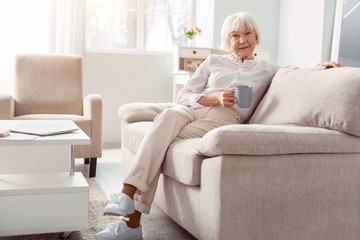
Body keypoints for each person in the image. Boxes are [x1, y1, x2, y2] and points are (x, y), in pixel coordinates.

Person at [95, 12, 342, 240]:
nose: (242, 39)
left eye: (247, 33)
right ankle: (127, 200)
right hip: (191, 110)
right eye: (235, 35)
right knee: (168, 116)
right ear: (227, 41)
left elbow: (298, 75)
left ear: (256, 37)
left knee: (158, 140)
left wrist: (323, 68)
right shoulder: (213, 61)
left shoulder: (269, 70)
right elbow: (184, 95)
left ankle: (130, 218)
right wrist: (215, 98)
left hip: (223, 119)